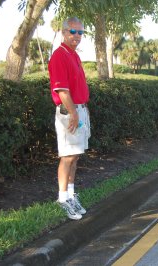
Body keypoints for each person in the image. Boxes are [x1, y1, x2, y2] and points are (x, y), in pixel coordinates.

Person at [48, 17, 90, 220]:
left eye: (80, 32)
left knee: (75, 155)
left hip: (79, 111)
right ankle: (62, 199)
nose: (77, 36)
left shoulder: (74, 55)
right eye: (73, 32)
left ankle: (71, 195)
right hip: (68, 112)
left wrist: (80, 112)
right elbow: (62, 90)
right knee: (67, 156)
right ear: (64, 32)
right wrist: (73, 112)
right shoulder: (59, 56)